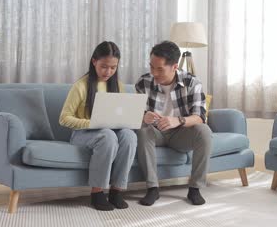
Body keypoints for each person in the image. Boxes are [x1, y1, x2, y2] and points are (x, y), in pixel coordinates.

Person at [59, 41, 137, 211]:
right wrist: (93, 123)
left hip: (109, 131)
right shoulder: (81, 86)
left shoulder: (118, 86)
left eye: (113, 67)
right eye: (104, 66)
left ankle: (117, 190)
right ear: (94, 61)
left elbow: (120, 115)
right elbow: (64, 118)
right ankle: (97, 192)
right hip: (83, 134)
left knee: (129, 135)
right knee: (107, 135)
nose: (108, 72)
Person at [135, 41, 212, 206]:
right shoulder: (143, 82)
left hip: (180, 133)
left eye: (160, 69)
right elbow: (134, 114)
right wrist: (143, 116)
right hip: (155, 132)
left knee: (204, 131)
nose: (154, 73)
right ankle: (152, 188)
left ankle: (195, 188)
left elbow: (199, 117)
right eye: (151, 67)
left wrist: (178, 120)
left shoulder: (192, 83)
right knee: (142, 130)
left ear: (174, 67)